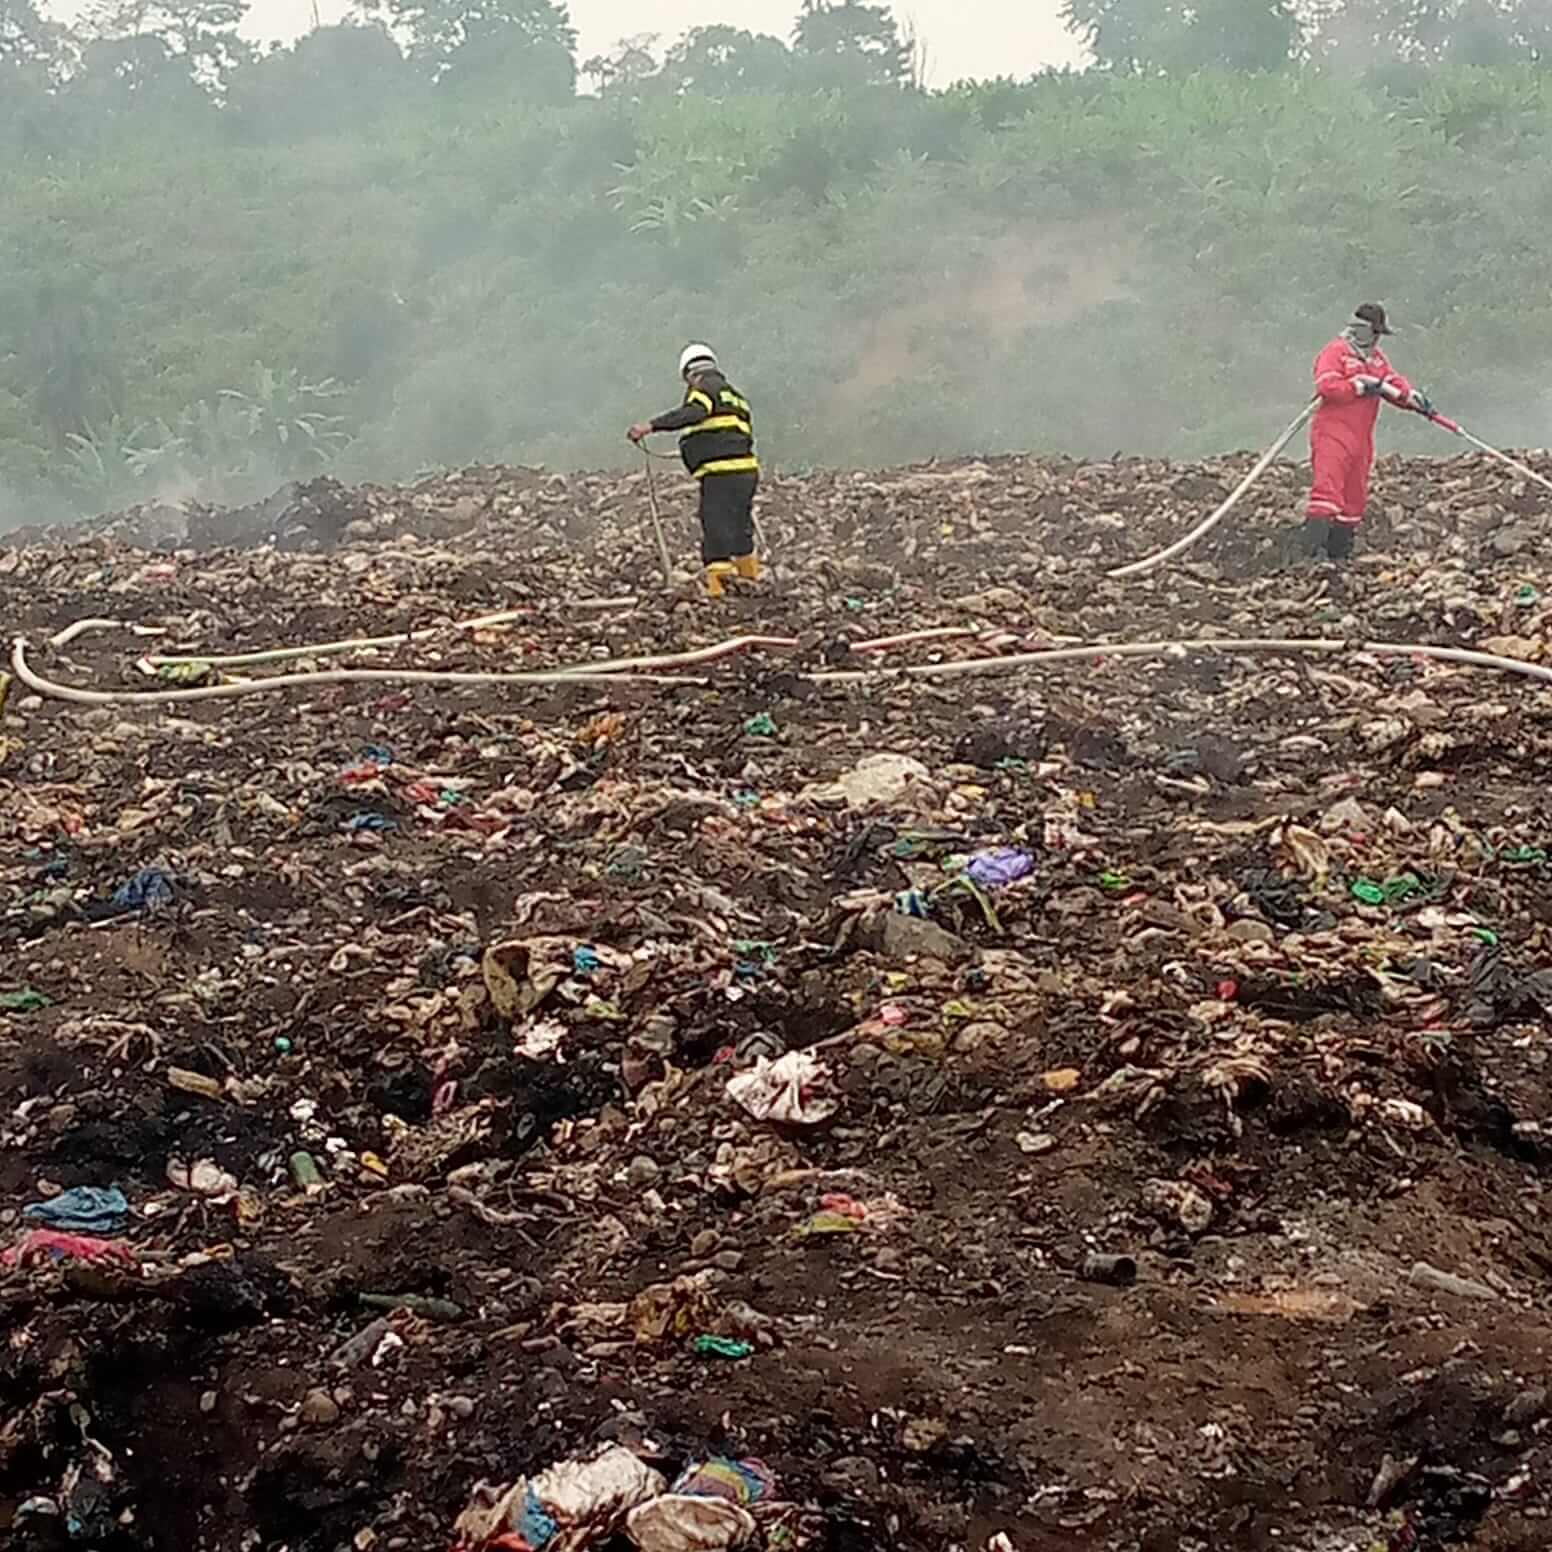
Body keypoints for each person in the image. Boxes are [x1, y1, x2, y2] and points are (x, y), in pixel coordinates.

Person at [629, 344, 760, 597]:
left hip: (720, 473)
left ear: (690, 374)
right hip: (745, 472)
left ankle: (720, 590)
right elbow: (729, 433)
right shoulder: (736, 397)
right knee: (740, 525)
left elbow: (694, 413)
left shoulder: (703, 389)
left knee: (716, 528)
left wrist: (650, 426)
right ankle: (750, 580)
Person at [1306, 302, 1432, 560]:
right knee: (1327, 491)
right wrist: (1358, 386)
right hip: (1333, 433)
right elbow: (1327, 387)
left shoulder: (1376, 359)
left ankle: (1340, 555)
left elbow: (1393, 383)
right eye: (1374, 332)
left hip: (1361, 437)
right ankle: (1312, 555)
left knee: (1355, 498)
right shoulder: (1336, 352)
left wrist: (1413, 398)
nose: (1376, 339)